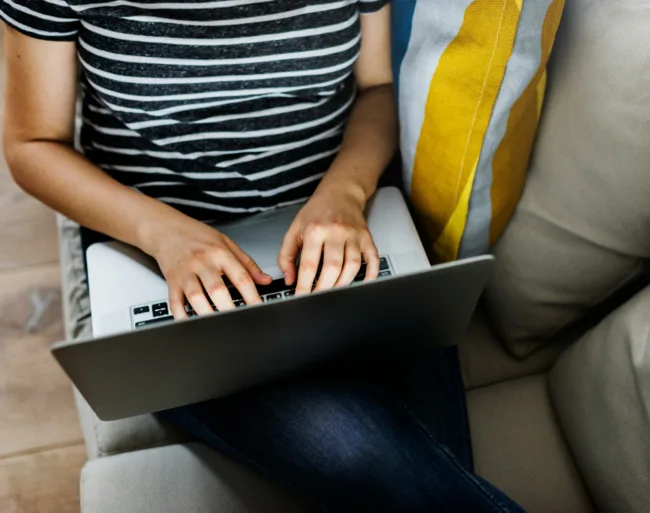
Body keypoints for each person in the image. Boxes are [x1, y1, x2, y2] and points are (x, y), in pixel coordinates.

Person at [2, 1, 525, 511]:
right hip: (160, 248)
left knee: (426, 463)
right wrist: (165, 236)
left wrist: (345, 193)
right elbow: (32, 144)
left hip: (338, 221)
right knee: (361, 458)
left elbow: (377, 88)